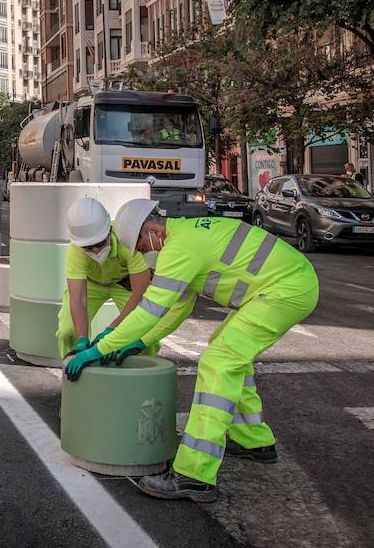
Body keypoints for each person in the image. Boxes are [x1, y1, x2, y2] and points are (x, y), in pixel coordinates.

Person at [64, 199, 320, 503]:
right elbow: (178, 307)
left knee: (219, 361)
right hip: (286, 284)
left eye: (142, 246)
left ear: (155, 231)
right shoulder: (185, 238)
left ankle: (195, 475)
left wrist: (98, 350)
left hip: (285, 290)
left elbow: (149, 311)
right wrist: (138, 342)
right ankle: (253, 440)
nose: (143, 254)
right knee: (228, 352)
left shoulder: (179, 250)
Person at [57, 198, 158, 362]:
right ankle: (73, 369)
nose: (96, 250)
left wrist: (113, 330)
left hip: (124, 284)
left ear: (110, 231)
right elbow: (78, 298)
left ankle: (143, 373)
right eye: (89, 247)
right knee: (68, 332)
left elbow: (140, 295)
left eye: (100, 243)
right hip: (92, 284)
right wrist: (82, 339)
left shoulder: (127, 239)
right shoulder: (75, 251)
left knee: (145, 332)